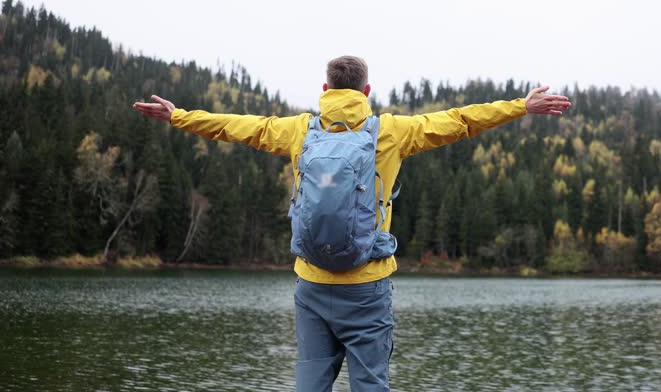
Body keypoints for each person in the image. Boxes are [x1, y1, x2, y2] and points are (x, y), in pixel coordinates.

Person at [132, 56, 571, 391]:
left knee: (310, 383)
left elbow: (238, 127)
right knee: (369, 383)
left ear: (325, 88)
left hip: (312, 283)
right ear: (366, 90)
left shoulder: (298, 131)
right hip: (367, 284)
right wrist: (520, 106)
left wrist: (179, 116)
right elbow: (459, 121)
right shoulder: (392, 131)